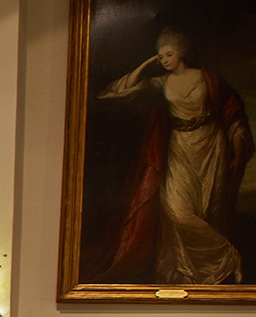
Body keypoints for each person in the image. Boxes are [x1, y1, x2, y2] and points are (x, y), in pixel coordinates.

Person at [95, 28, 252, 285]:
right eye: (161, 56)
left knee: (207, 211)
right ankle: (229, 255)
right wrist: (147, 64)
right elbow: (121, 89)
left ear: (182, 53)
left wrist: (238, 151)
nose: (165, 60)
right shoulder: (162, 82)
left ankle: (203, 275)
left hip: (211, 145)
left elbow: (233, 115)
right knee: (177, 211)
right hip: (179, 147)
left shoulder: (208, 79)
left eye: (169, 54)